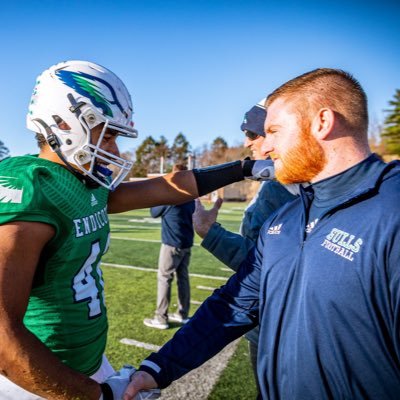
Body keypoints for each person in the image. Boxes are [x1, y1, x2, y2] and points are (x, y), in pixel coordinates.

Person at [0, 60, 274, 400]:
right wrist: (100, 396)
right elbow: (2, 337)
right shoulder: (29, 188)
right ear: (63, 123)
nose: (114, 149)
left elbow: (165, 187)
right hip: (35, 378)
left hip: (87, 359)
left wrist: (245, 168)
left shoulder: (84, 183)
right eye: (108, 133)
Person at [124, 68, 400, 400]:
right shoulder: (286, 217)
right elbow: (236, 302)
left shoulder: (392, 209)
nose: (264, 146)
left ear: (322, 122)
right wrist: (159, 368)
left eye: (273, 131)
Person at [193, 99, 297, 396]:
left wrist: (209, 233)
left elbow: (261, 263)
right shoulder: (286, 183)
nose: (247, 142)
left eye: (254, 133)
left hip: (276, 324)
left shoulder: (285, 189)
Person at [144, 164, 195, 330]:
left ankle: (161, 317)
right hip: (187, 242)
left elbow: (153, 212)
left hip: (171, 244)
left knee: (164, 278)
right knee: (183, 278)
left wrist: (159, 194)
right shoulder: (191, 196)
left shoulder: (172, 196)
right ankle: (182, 314)